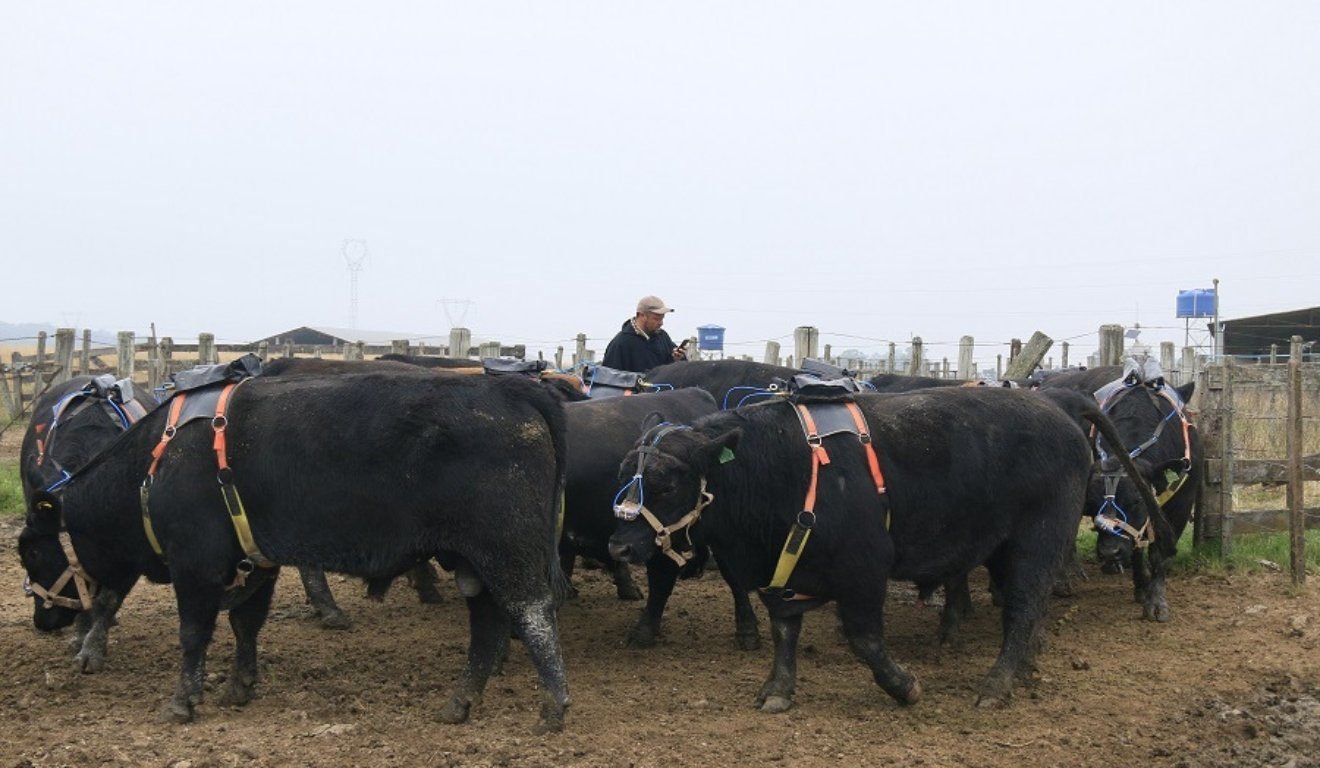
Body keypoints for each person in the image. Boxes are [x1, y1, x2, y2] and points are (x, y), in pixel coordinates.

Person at [600, 295, 688, 373]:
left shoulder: (663, 336)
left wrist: (677, 359)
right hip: (635, 391)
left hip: (663, 390)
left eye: (662, 319)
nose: (661, 323)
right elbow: (609, 379)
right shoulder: (621, 343)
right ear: (641, 315)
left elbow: (669, 370)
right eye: (656, 319)